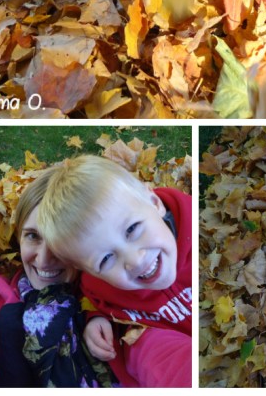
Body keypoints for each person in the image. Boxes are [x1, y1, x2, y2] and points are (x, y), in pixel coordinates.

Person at [0, 168, 114, 388]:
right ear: (19, 238)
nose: (44, 260)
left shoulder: (115, 293)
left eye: (60, 239)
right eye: (33, 236)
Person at [36, 156, 191, 385]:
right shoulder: (99, 285)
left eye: (132, 229)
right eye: (106, 259)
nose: (135, 260)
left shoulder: (200, 225)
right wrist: (95, 317)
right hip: (165, 346)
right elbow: (89, 294)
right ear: (89, 270)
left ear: (154, 202)